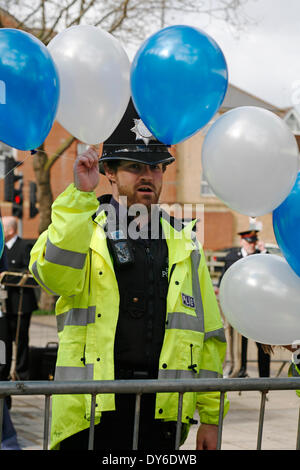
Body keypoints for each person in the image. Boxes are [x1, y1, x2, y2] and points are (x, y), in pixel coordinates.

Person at [29, 100, 229, 451]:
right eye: (135, 167)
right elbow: (53, 277)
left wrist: (211, 417)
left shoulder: (185, 243)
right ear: (110, 172)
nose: (148, 177)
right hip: (91, 414)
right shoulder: (83, 228)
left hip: (162, 413)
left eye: (155, 168)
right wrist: (80, 195)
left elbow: (209, 335)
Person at [218, 229, 271, 378]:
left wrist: (264, 251)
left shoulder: (261, 257)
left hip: (258, 309)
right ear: (242, 241)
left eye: (254, 241)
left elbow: (271, 270)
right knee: (239, 344)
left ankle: (264, 377)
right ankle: (240, 370)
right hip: (239, 308)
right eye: (249, 242)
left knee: (263, 343)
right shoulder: (232, 257)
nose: (252, 245)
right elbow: (224, 280)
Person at [0, 216, 38, 381]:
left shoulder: (24, 246)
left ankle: (22, 373)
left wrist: (7, 274)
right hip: (5, 304)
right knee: (5, 341)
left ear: (10, 230)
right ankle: (5, 371)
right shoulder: (3, 249)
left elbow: (29, 271)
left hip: (22, 303)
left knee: (21, 339)